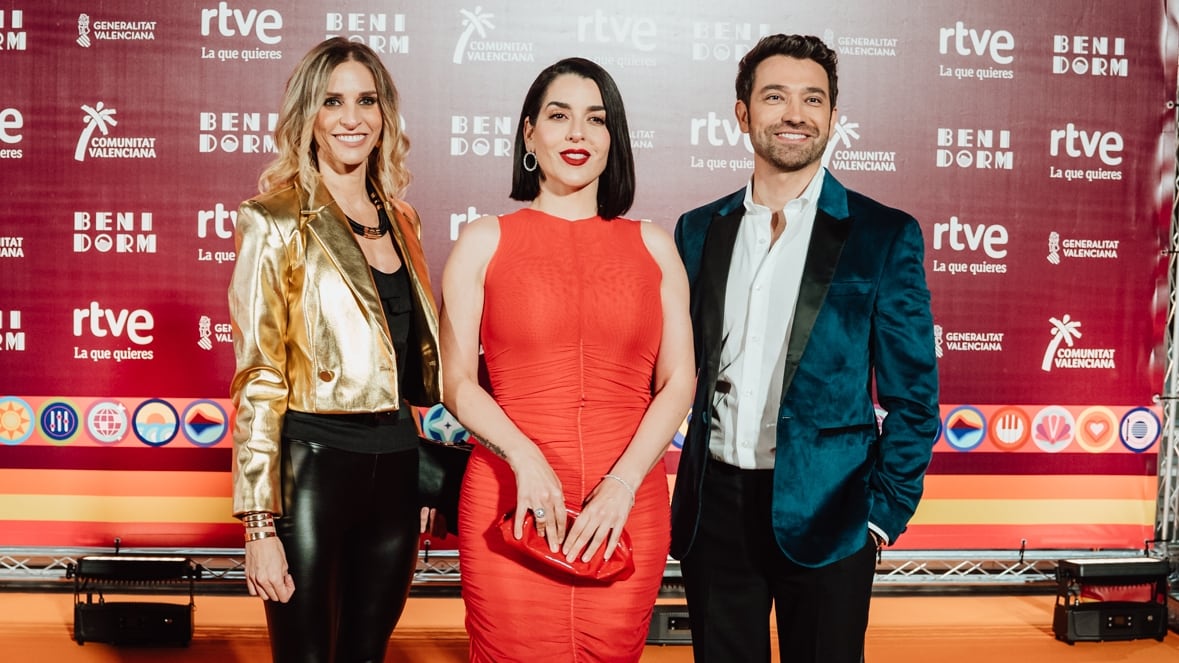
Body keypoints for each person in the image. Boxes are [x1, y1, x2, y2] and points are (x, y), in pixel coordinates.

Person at [670, 34, 940, 663]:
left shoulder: (883, 235)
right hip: (715, 512)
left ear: (833, 118)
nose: (795, 114)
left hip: (834, 513)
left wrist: (879, 516)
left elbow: (915, 397)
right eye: (775, 97)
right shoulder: (697, 230)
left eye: (812, 99)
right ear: (742, 113)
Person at [439, 57, 695, 662]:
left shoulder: (654, 246)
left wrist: (623, 486)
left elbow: (680, 380)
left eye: (596, 119)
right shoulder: (484, 239)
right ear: (529, 133)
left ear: (615, 138)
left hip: (626, 505)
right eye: (559, 116)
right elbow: (455, 381)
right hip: (511, 496)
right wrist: (524, 457)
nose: (578, 134)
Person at [228, 37, 441, 663]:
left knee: (367, 652)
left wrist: (423, 471)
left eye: (367, 101)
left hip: (398, 470)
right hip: (311, 470)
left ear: (385, 115)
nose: (353, 118)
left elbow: (405, 363)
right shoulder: (273, 220)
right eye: (333, 102)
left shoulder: (404, 219)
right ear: (308, 118)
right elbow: (260, 375)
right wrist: (259, 527)